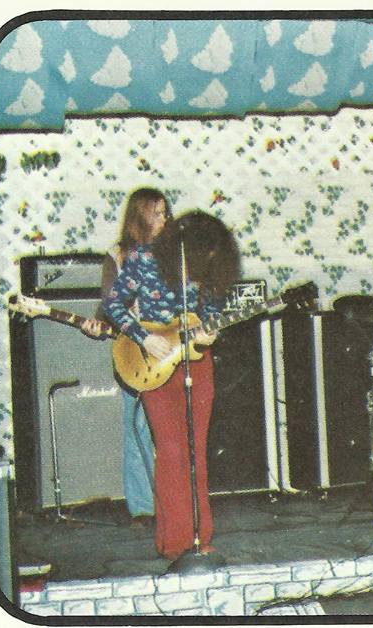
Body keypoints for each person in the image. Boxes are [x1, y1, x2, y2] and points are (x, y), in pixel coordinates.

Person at [104, 210, 240, 561]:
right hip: (153, 360)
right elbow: (113, 303)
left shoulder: (210, 268)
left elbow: (210, 313)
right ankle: (175, 541)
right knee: (172, 452)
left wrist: (211, 331)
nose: (207, 263)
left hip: (196, 363)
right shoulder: (143, 258)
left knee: (196, 452)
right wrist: (143, 337)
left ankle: (199, 538)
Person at [80, 187, 170, 527]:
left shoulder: (172, 253)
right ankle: (144, 508)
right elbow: (110, 303)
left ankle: (173, 503)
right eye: (157, 213)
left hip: (170, 348)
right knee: (136, 428)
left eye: (165, 213)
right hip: (133, 349)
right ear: (140, 215)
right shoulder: (118, 255)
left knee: (168, 430)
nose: (164, 219)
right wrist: (98, 323)